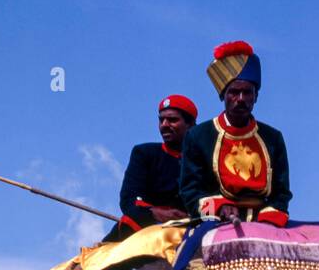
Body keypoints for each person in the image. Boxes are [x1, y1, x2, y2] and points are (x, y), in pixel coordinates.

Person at [179, 40, 291, 226]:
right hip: (214, 220)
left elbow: (282, 192)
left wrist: (268, 219)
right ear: (223, 95)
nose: (240, 99)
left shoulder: (273, 138)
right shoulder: (198, 136)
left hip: (266, 222)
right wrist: (219, 207)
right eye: (234, 92)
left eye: (247, 92)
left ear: (256, 96)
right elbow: (190, 191)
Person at [112, 95, 199, 238]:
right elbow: (129, 199)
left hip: (192, 227)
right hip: (147, 226)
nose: (164, 124)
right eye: (161, 120)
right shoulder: (144, 153)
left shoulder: (202, 159)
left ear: (190, 125)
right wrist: (155, 213)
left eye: (172, 120)